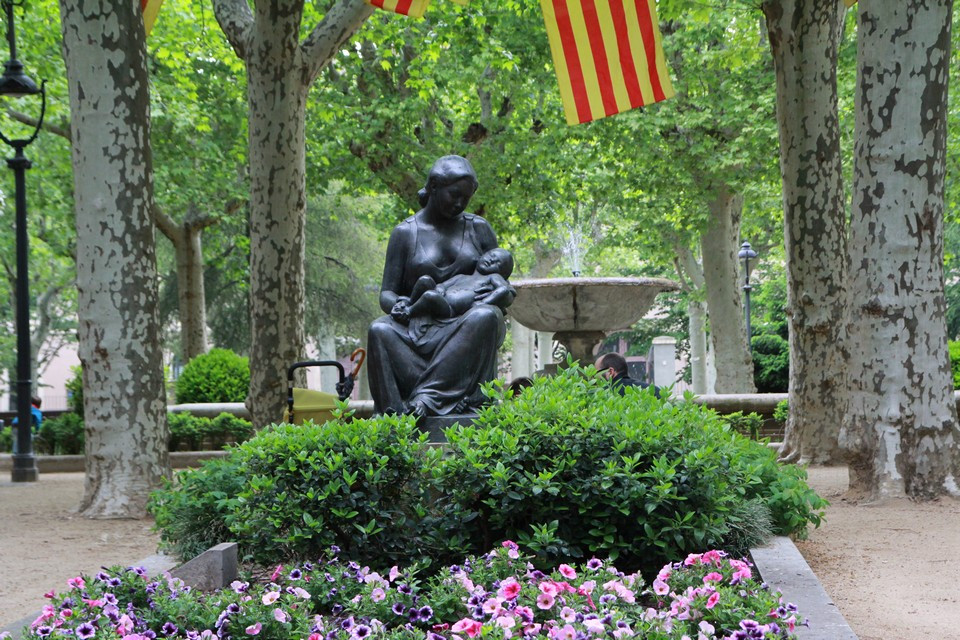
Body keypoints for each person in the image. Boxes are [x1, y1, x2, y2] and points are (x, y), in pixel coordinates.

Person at [367, 155, 514, 418]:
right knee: (379, 329)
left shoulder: (478, 229)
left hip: (467, 326)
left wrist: (490, 300)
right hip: (419, 325)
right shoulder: (404, 233)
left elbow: (503, 281)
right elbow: (387, 293)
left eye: (466, 198)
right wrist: (399, 304)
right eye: (454, 195)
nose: (459, 203)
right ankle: (395, 416)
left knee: (486, 316)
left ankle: (426, 398)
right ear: (434, 186)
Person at [401, 248, 516, 321]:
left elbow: (504, 289)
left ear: (502, 274)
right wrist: (440, 288)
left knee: (430, 296)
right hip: (441, 297)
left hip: (449, 309)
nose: (491, 260)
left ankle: (408, 312)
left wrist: (485, 302)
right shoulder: (462, 276)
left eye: (497, 263)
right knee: (425, 280)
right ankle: (410, 302)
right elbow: (442, 285)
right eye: (491, 255)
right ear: (482, 255)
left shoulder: (493, 277)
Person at [594, 353, 660, 398]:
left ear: (610, 372)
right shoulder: (653, 390)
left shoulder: (602, 394)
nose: (594, 377)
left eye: (596, 373)